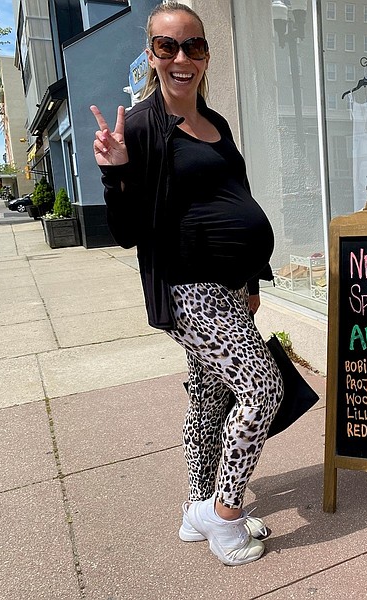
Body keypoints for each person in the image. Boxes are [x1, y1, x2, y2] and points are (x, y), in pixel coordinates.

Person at [90, 2, 282, 567]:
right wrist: (115, 170)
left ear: (205, 54)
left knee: (210, 399)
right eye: (167, 46)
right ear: (151, 55)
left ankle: (196, 509)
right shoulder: (145, 126)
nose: (181, 57)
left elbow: (235, 197)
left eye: (193, 45)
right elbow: (126, 232)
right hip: (189, 288)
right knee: (261, 387)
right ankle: (223, 517)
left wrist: (252, 277)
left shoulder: (215, 122)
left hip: (230, 287)